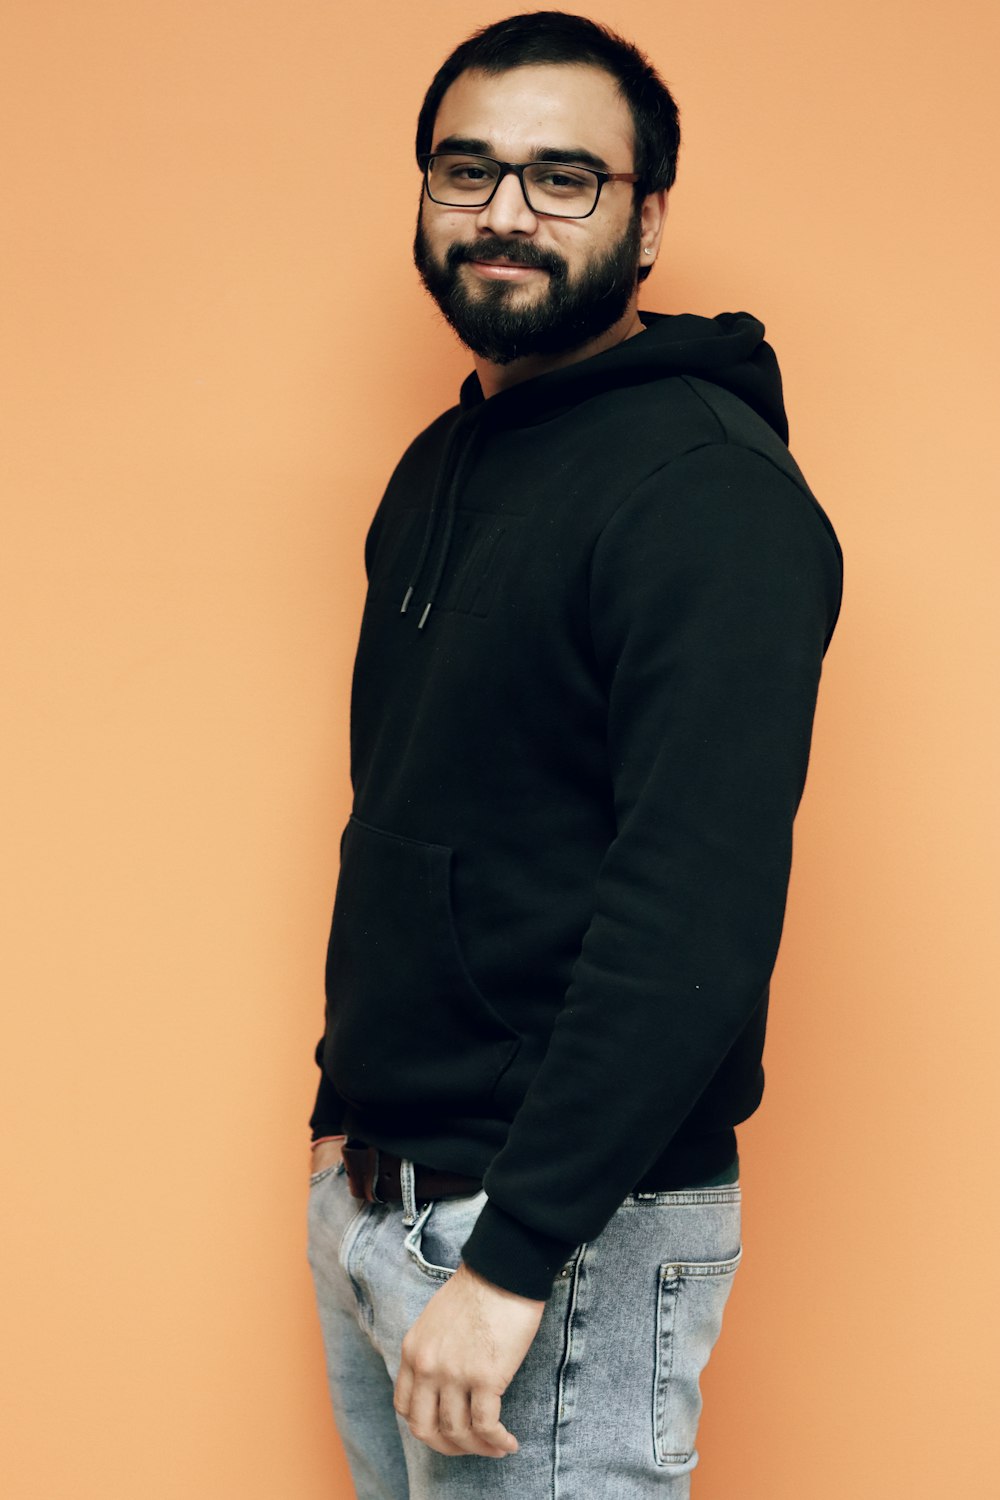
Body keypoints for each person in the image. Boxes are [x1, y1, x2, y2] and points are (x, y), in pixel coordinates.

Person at [306, 12, 843, 1498]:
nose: (504, 215)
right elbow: (414, 818)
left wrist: (516, 1254)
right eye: (467, 170)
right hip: (386, 1201)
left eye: (564, 179)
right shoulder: (447, 458)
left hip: (558, 1241)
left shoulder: (707, 499)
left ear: (647, 215)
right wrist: (342, 1126)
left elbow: (696, 916)